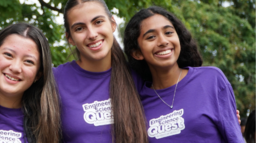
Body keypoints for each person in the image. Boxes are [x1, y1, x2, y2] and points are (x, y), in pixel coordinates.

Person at [124, 6, 244, 142]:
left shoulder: (211, 80)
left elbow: (235, 138)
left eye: (168, 33)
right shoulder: (135, 104)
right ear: (137, 53)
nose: (163, 41)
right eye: (151, 37)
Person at [53, 0, 148, 142]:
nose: (91, 34)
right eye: (79, 28)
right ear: (70, 38)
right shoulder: (54, 80)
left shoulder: (140, 75)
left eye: (98, 22)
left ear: (112, 24)